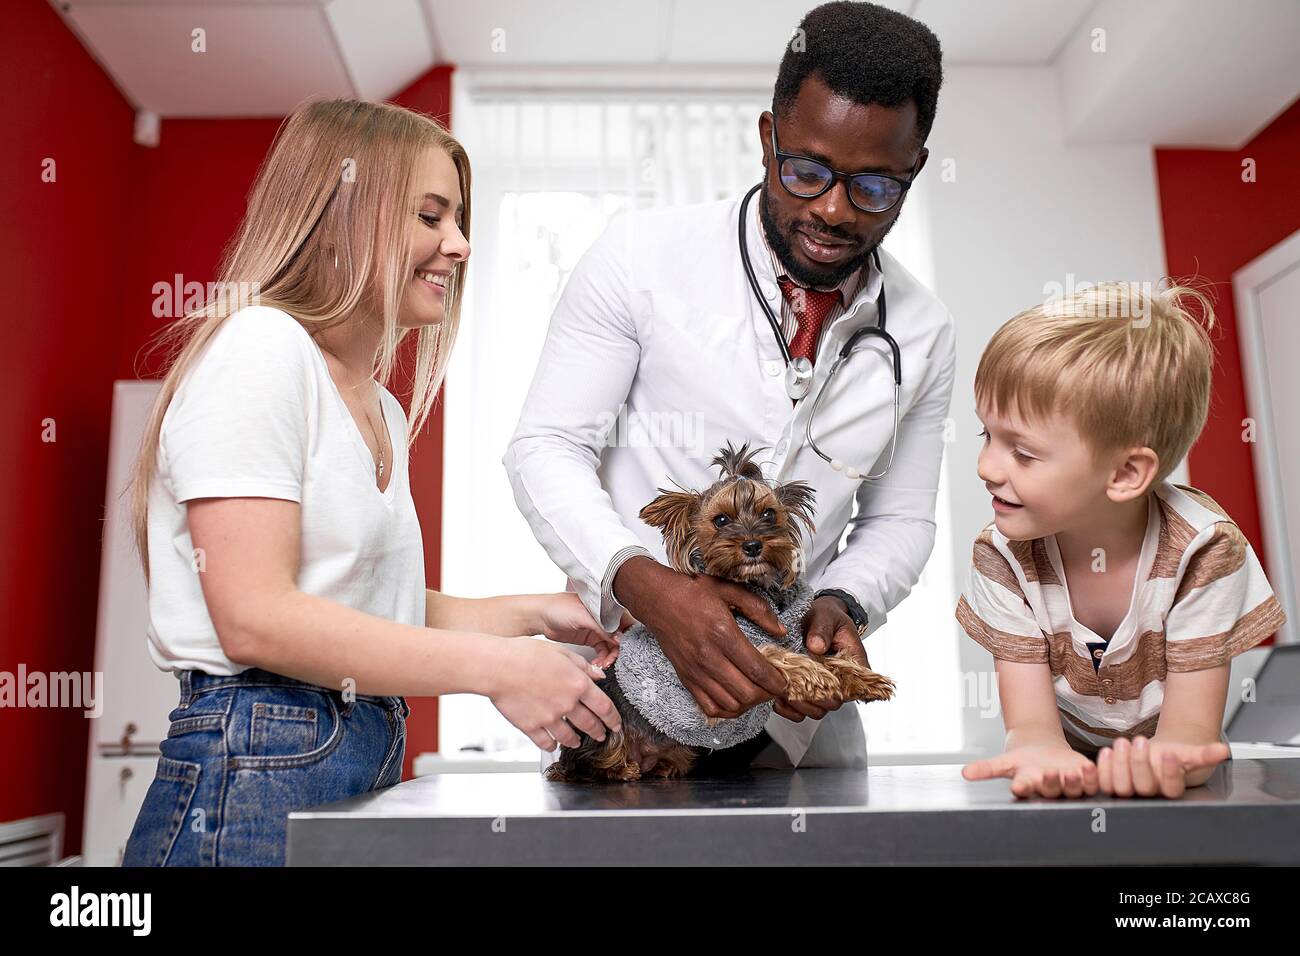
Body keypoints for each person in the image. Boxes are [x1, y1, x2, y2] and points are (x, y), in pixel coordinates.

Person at [121, 99, 620, 867]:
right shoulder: (260, 348)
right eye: (430, 216)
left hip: (347, 751)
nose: (458, 245)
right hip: (252, 764)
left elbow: (348, 602)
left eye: (458, 219)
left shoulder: (380, 406)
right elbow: (255, 617)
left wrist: (528, 616)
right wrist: (496, 669)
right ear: (343, 216)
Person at [503, 2, 955, 770]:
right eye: (805, 170)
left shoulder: (922, 330)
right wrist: (640, 582)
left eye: (874, 186)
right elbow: (544, 448)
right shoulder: (639, 256)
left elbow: (902, 520)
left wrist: (840, 605)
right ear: (766, 138)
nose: (832, 210)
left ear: (913, 170)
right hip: (630, 702)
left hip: (796, 722)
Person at [957, 282, 1287, 799]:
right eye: (986, 436)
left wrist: (1166, 764)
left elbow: (1190, 739)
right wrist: (1039, 754)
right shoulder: (1001, 554)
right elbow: (1033, 730)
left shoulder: (1205, 551)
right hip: (1074, 776)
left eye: (1022, 452)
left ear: (1127, 473)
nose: (985, 467)